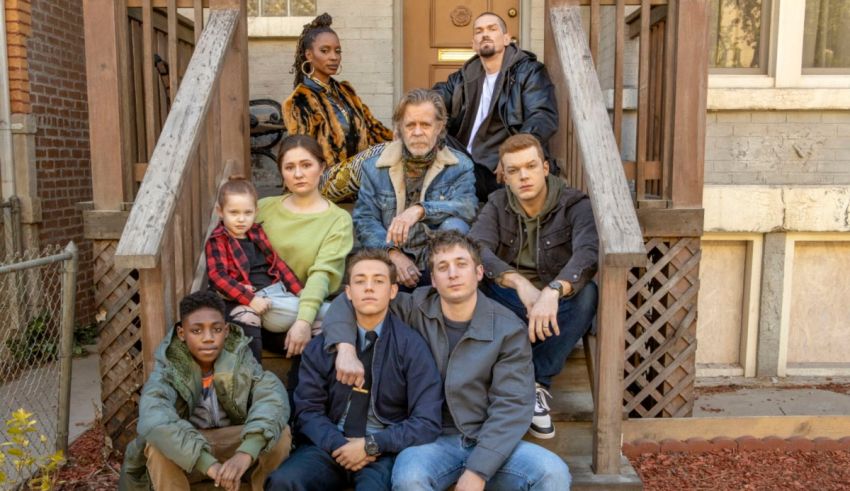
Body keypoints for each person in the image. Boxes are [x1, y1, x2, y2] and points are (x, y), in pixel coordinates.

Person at [324, 231, 570, 491]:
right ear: (433, 280)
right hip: (430, 440)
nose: (453, 273)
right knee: (410, 478)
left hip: (488, 439)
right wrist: (345, 348)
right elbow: (346, 302)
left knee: (552, 472)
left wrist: (478, 469)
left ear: (478, 272)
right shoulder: (414, 307)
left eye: (461, 264)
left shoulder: (508, 329)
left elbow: (512, 406)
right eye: (443, 267)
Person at [265, 249, 443, 490]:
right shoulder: (322, 346)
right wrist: (340, 445)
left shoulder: (412, 347)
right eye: (360, 281)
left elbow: (427, 421)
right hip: (329, 445)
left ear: (392, 291)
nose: (368, 288)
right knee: (284, 482)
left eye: (378, 281)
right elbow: (307, 410)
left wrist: (371, 445)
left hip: (382, 451)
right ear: (348, 292)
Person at [470, 133, 599, 440]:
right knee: (477, 287)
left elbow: (587, 254)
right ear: (504, 176)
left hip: (557, 302)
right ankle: (511, 384)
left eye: (530, 166)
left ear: (545, 168)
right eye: (513, 170)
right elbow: (477, 247)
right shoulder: (497, 203)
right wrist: (518, 283)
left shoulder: (574, 205)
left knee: (588, 295)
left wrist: (553, 291)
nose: (523, 176)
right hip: (513, 300)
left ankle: (534, 383)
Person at [118, 291, 291, 491]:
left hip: (233, 446)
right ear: (182, 334)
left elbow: (272, 397)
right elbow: (154, 418)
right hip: (187, 454)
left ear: (226, 331)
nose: (208, 338)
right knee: (157, 444)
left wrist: (246, 452)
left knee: (279, 433)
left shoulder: (241, 359)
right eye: (197, 331)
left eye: (216, 329)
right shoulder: (168, 368)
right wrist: (208, 463)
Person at [353, 88, 476, 291]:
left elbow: (468, 207)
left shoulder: (460, 165)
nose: (417, 132)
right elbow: (365, 220)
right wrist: (392, 253)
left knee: (455, 225)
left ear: (439, 127)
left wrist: (420, 210)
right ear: (400, 128)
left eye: (426, 125)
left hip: (438, 262)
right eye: (410, 125)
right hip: (392, 263)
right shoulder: (374, 167)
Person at [432, 12, 558, 202]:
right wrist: (409, 118)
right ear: (473, 43)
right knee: (424, 131)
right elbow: (433, 99)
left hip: (500, 167)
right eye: (479, 31)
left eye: (492, 29)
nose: (485, 34)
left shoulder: (528, 71)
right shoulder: (463, 78)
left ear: (506, 38)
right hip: (465, 161)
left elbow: (542, 116)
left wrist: (513, 154)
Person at [256, 134, 354, 360]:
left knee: (332, 322)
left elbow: (322, 274)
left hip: (308, 308)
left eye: (306, 165)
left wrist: (303, 321)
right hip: (265, 308)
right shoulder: (261, 209)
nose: (298, 174)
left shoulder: (338, 220)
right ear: (281, 172)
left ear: (321, 168)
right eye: (289, 167)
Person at [284, 12, 394, 202]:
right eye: (325, 51)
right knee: (379, 156)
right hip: (321, 182)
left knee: (405, 148)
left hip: (357, 180)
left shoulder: (346, 91)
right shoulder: (301, 100)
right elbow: (301, 153)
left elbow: (375, 129)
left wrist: (402, 141)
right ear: (309, 55)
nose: (334, 57)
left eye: (337, 51)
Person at [205, 177, 306, 363]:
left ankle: (301, 385)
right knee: (250, 315)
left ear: (256, 212)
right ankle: (253, 377)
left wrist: (301, 291)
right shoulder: (218, 239)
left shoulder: (257, 233)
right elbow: (217, 276)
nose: (241, 219)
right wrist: (250, 298)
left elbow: (278, 264)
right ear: (220, 212)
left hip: (276, 295)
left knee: (317, 321)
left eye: (247, 213)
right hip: (246, 300)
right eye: (234, 212)